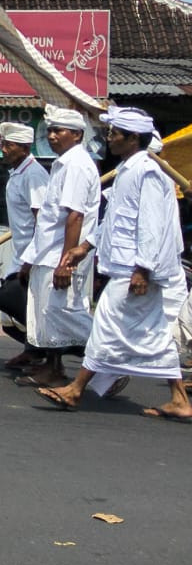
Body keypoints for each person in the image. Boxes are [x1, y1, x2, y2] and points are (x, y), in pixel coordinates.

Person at [38, 106, 192, 420]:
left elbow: (151, 225)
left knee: (106, 325)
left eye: (115, 134)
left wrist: (142, 269)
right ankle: (178, 397)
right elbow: (115, 221)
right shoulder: (128, 170)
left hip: (134, 268)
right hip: (126, 265)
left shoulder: (147, 172)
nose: (109, 139)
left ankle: (76, 387)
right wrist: (85, 246)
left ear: (133, 138)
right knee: (153, 335)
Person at [17, 105, 99, 387]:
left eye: (58, 131)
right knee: (47, 314)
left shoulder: (76, 165)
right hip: (47, 251)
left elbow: (74, 216)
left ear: (76, 135)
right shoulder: (64, 163)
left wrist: (66, 261)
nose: (52, 136)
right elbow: (51, 220)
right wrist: (30, 260)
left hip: (62, 255)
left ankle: (110, 362)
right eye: (49, 131)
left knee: (65, 312)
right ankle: (53, 368)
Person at [0, 120, 48, 368]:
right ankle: (33, 350)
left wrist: (31, 259)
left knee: (20, 306)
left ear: (24, 148)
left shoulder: (34, 175)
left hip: (32, 255)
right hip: (20, 251)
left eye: (9, 145)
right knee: (10, 310)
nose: (3, 149)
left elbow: (42, 222)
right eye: (3, 144)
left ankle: (43, 354)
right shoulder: (18, 172)